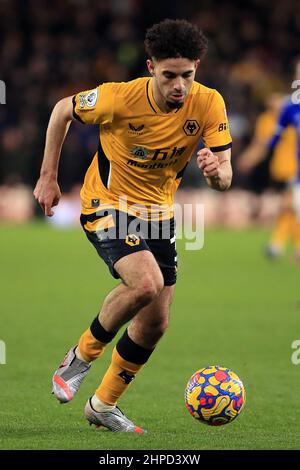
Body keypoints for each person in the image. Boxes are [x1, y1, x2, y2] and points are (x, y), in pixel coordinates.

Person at [33, 19, 232, 433]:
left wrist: (215, 172)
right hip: (106, 202)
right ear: (150, 68)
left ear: (197, 67)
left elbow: (225, 178)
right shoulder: (117, 98)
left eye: (187, 76)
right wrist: (48, 176)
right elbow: (61, 111)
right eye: (169, 76)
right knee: (145, 283)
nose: (179, 86)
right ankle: (81, 356)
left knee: (156, 321)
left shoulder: (210, 103)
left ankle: (103, 405)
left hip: (159, 213)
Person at [238, 59, 300, 261]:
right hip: (286, 169)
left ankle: (279, 244)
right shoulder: (277, 117)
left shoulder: (288, 109)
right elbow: (265, 144)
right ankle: (281, 244)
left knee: (289, 206)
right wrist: (250, 157)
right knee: (289, 206)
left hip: (291, 167)